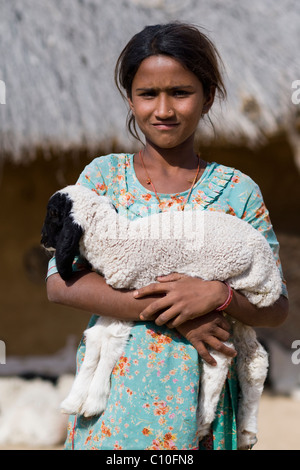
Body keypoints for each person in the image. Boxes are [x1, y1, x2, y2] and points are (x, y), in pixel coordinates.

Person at [46, 22, 288, 450]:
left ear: (208, 96)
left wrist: (219, 296)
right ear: (130, 98)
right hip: (117, 401)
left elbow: (276, 307)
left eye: (180, 92)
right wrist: (181, 313)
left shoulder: (238, 191)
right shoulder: (102, 180)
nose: (163, 109)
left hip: (206, 409)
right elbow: (60, 283)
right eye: (147, 94)